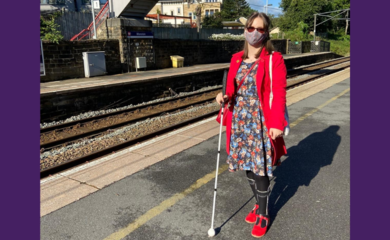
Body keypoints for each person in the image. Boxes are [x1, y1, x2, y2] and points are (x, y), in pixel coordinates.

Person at [215, 12, 288, 238]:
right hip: (239, 120)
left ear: (266, 33)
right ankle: (258, 204)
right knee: (247, 164)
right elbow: (231, 90)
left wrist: (277, 123)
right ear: (245, 29)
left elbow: (279, 93)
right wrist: (222, 96)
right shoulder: (236, 58)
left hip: (259, 121)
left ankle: (264, 214)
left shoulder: (273, 59)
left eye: (260, 29)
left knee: (260, 167)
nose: (254, 33)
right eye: (250, 27)